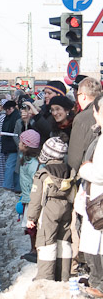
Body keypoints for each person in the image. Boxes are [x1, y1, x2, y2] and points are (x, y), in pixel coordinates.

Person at [26, 137, 75, 282]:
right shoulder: (69, 170)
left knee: (47, 241)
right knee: (64, 240)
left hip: (49, 208)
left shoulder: (43, 173)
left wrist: (31, 218)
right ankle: (63, 275)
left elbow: (36, 198)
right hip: (66, 207)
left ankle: (45, 277)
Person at [75, 93, 103, 297]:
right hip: (94, 195)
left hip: (99, 197)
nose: (93, 115)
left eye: (95, 111)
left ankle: (99, 284)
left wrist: (85, 169)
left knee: (97, 242)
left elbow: (100, 173)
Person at [17, 129, 42, 263]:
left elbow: (36, 181)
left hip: (33, 198)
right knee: (30, 225)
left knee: (33, 224)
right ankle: (33, 248)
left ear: (26, 145)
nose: (18, 144)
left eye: (21, 142)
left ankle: (35, 249)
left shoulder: (34, 164)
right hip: (27, 197)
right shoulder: (26, 159)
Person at [68, 77, 102, 172]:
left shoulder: (82, 118)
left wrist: (72, 175)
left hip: (90, 172)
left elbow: (75, 156)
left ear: (83, 96)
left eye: (77, 95)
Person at [29, 80, 67, 146]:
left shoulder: (64, 112)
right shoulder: (43, 110)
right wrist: (26, 121)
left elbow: (50, 132)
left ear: (58, 95)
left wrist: (37, 116)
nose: (45, 96)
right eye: (45, 93)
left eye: (49, 93)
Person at [0, 100, 21, 192]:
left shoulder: (13, 118)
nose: (7, 111)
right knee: (15, 167)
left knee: (10, 166)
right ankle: (17, 188)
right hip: (13, 146)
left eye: (8, 109)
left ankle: (7, 187)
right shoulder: (14, 116)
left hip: (13, 146)